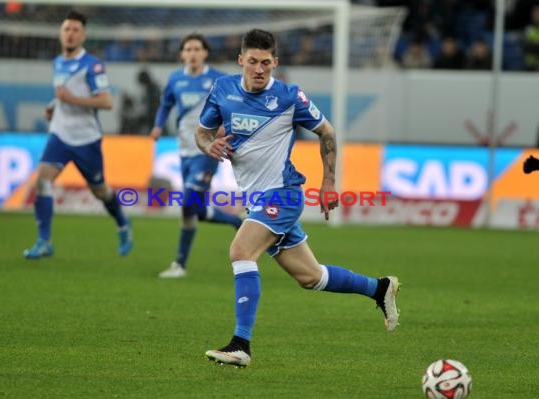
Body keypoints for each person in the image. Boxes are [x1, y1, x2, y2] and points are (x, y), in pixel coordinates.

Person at [196, 29, 400, 368]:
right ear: (240, 61)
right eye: (252, 62)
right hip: (255, 200)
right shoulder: (222, 90)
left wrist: (329, 182)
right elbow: (202, 133)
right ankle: (379, 288)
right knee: (311, 277)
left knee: (240, 251)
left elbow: (327, 132)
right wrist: (209, 146)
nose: (259, 69)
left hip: (284, 194)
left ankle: (240, 344)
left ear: (275, 62)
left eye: (265, 63)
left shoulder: (290, 97)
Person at [23, 10, 133, 259]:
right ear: (60, 34)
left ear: (83, 35)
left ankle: (123, 223)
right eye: (66, 30)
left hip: (86, 139)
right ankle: (44, 241)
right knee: (42, 180)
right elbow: (63, 94)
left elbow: (106, 102)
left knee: (100, 191)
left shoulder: (92, 65)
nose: (70, 34)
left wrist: (70, 99)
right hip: (60, 134)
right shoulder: (58, 62)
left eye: (75, 30)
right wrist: (54, 106)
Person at [150, 33, 242, 279]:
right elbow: (165, 104)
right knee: (192, 209)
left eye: (197, 49)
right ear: (182, 54)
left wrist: (228, 128)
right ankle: (234, 221)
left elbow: (234, 107)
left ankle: (179, 265)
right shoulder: (175, 79)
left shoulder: (218, 80)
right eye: (188, 49)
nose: (192, 53)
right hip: (183, 149)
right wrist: (158, 125)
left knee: (188, 203)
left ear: (205, 53)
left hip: (207, 149)